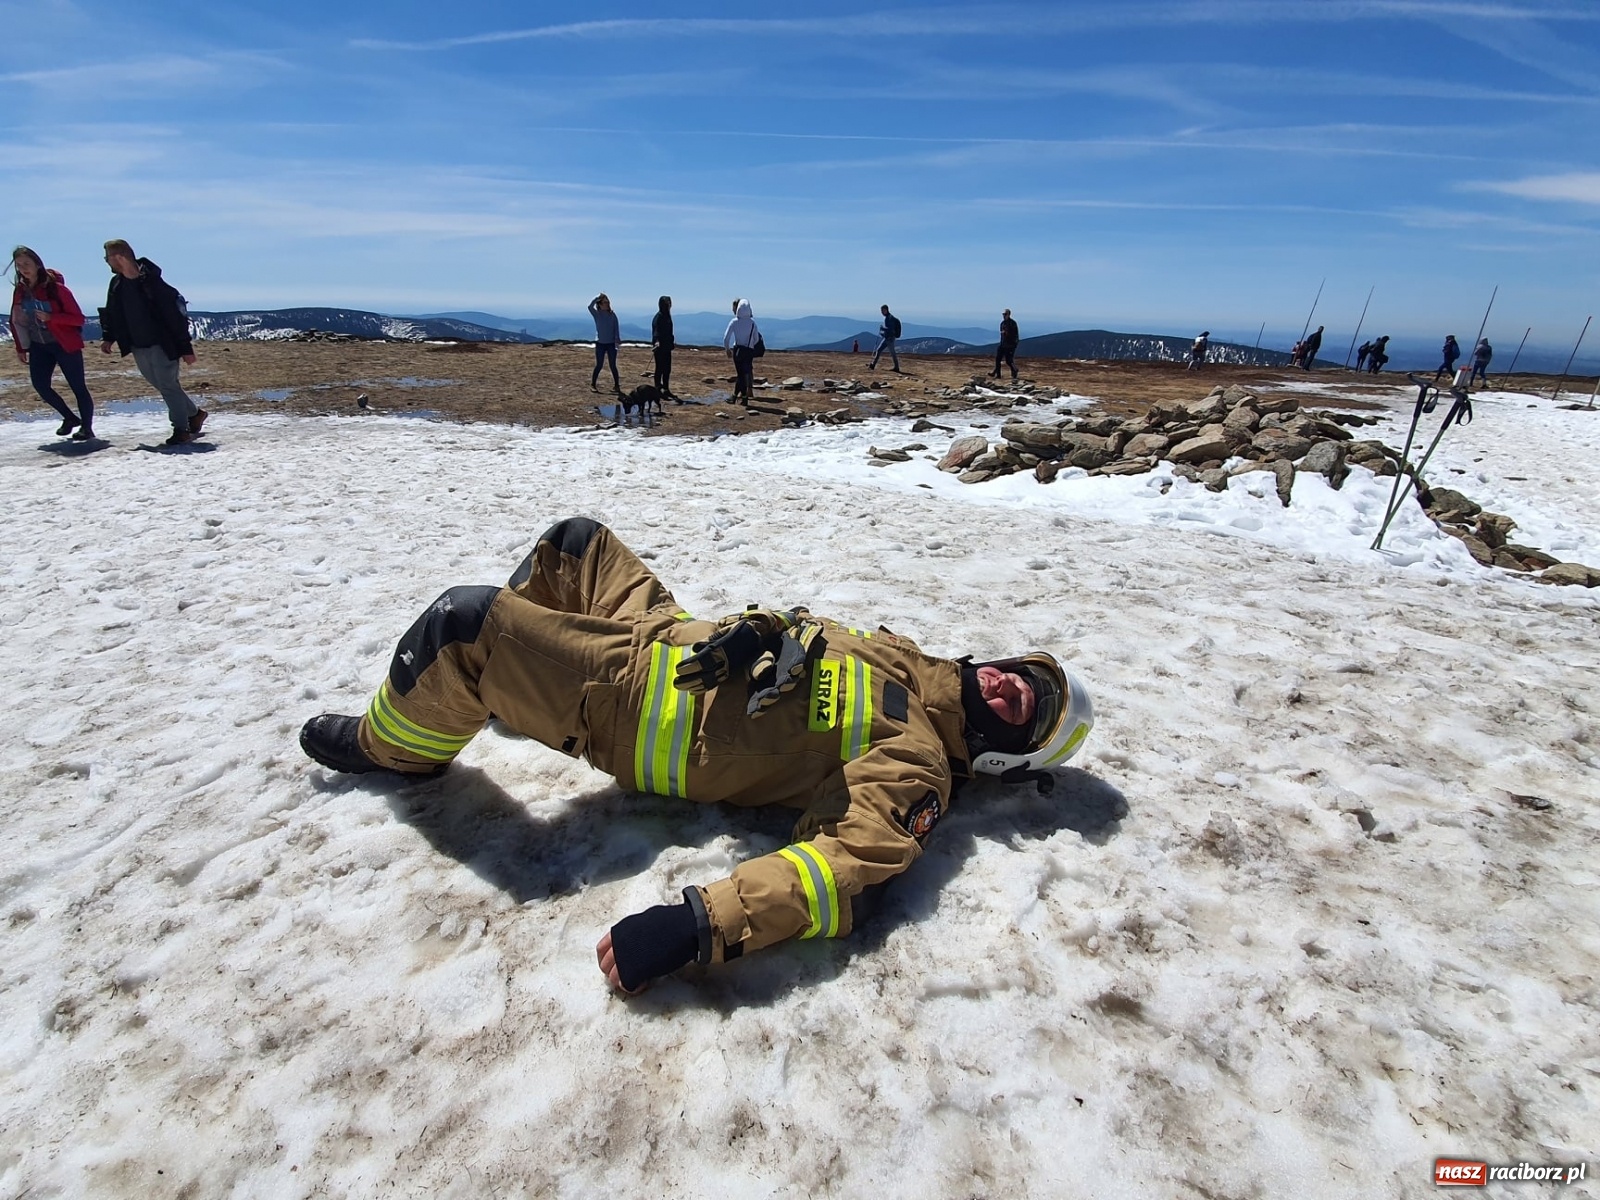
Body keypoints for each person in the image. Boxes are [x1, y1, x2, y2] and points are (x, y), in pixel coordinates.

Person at [298, 517, 1095, 994]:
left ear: (1003, 759)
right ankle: (505, 685)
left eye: (1026, 710)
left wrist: (700, 925)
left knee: (462, 623)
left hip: (639, 707)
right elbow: (806, 640)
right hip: (674, 641)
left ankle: (397, 748)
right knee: (574, 545)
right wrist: (767, 627)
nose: (1012, 686)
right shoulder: (904, 658)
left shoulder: (913, 762)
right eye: (1024, 677)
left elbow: (843, 868)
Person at [98, 240, 204, 447]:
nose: (106, 262)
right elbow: (112, 312)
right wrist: (109, 337)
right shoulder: (117, 284)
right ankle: (195, 414)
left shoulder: (152, 282)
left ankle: (181, 429)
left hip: (162, 344)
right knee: (164, 386)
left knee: (167, 385)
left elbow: (174, 317)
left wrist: (185, 348)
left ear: (119, 257)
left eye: (107, 257)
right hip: (137, 344)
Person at [9, 246, 96, 440]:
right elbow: (17, 320)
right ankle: (70, 418)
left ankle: (87, 428)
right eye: (19, 265)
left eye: (27, 264)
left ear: (38, 264)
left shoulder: (56, 289)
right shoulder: (21, 291)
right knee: (40, 385)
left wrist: (51, 317)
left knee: (78, 387)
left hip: (64, 344)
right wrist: (21, 347)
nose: (23, 268)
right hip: (38, 345)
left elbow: (79, 319)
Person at [723, 298, 761, 405]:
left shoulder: (734, 322)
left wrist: (727, 349)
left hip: (738, 351)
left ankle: (736, 397)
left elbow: (726, 338)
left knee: (740, 375)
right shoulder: (752, 323)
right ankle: (743, 398)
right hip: (748, 352)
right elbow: (756, 338)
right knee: (743, 374)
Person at [587, 294, 622, 393]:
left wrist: (617, 338)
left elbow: (616, 327)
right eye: (604, 302)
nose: (607, 304)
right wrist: (597, 298)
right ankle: (593, 384)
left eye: (607, 302)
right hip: (600, 343)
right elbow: (589, 307)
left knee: (612, 365)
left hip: (611, 343)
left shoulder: (612, 315)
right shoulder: (597, 314)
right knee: (599, 365)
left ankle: (616, 386)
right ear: (600, 304)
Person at [651, 295, 675, 401]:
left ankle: (666, 388)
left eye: (669, 303)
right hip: (660, 347)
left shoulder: (667, 316)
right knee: (659, 368)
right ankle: (657, 389)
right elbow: (656, 332)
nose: (669, 305)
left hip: (667, 347)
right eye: (667, 303)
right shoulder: (659, 317)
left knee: (667, 369)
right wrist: (656, 342)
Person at [870, 305, 902, 373]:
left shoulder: (889, 318)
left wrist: (882, 329)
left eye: (882, 311)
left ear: (886, 310)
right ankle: (873, 365)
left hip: (890, 339)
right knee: (879, 350)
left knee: (891, 353)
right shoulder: (889, 318)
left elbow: (890, 329)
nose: (881, 312)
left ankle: (896, 367)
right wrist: (884, 333)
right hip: (887, 338)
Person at [992, 309, 1020, 380]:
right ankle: (998, 375)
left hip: (1010, 345)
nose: (1004, 316)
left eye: (1005, 314)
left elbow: (1015, 334)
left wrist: (1013, 343)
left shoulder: (1012, 323)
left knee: (1008, 361)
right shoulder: (1002, 323)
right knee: (998, 359)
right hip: (1003, 344)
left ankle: (1014, 370)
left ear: (1009, 314)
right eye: (1003, 314)